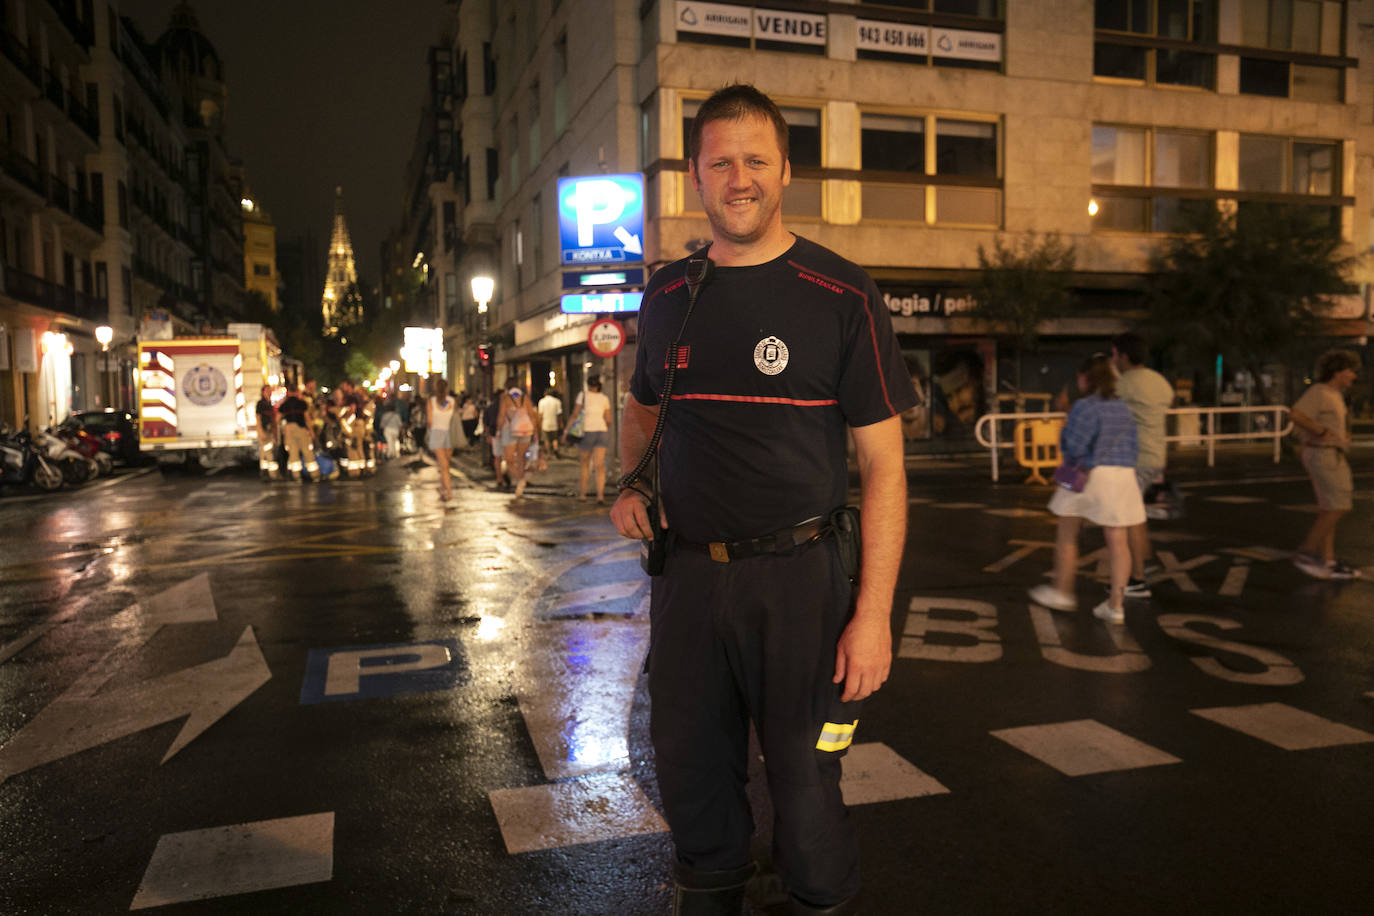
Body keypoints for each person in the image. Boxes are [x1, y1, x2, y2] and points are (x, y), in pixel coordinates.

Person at [609, 84, 915, 914]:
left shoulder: (841, 294)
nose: (738, 178)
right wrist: (631, 481)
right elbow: (640, 410)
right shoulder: (669, 294)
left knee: (808, 786)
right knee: (690, 772)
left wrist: (874, 614)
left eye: (754, 160)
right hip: (689, 583)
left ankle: (818, 897)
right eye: (720, 163)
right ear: (696, 181)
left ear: (785, 170)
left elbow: (885, 470)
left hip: (803, 584)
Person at [1028, 353, 1145, 624]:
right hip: (1124, 476)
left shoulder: (1085, 407)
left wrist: (1065, 424)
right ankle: (1116, 606)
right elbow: (1135, 447)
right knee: (1118, 541)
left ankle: (1063, 592)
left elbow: (1075, 447)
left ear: (1086, 378)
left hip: (1091, 475)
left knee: (1067, 532)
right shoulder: (1125, 407)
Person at [1111, 331, 1175, 597]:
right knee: (1141, 517)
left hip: (1134, 460)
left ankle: (1136, 580)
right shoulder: (1160, 381)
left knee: (1131, 520)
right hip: (1157, 457)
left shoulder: (1125, 383)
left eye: (1114, 354)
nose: (1113, 360)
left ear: (1124, 356)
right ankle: (1144, 565)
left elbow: (1106, 407)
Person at [1289, 349, 1361, 579]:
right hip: (1322, 455)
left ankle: (1327, 562)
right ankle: (1307, 552)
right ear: (1338, 372)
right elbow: (1296, 414)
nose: (1353, 376)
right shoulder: (1319, 392)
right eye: (1350, 371)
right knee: (1339, 506)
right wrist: (1320, 431)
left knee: (1329, 508)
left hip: (1333, 454)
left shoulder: (1335, 394)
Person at [563, 376, 612, 504]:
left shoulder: (583, 395)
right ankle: (600, 496)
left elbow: (575, 414)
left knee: (585, 464)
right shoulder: (604, 398)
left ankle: (583, 495)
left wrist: (566, 431)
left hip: (587, 432)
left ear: (588, 385)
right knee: (599, 465)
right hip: (602, 432)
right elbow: (609, 420)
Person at [496, 387, 539, 498]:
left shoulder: (506, 399)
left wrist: (498, 431)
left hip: (509, 431)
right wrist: (535, 433)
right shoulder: (526, 399)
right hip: (526, 431)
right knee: (521, 459)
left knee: (509, 460)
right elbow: (532, 417)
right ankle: (520, 485)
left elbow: (501, 416)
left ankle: (520, 480)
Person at [277, 385, 319, 482]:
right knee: (307, 452)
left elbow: (277, 419)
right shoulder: (302, 403)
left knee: (293, 453)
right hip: (301, 429)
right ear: (296, 392)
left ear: (288, 392)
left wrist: (284, 428)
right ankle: (315, 475)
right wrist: (311, 431)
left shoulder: (284, 404)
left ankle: (297, 477)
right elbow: (307, 418)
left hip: (289, 430)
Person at [427, 379, 456, 501]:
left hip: (436, 433)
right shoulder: (452, 401)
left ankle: (444, 488)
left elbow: (429, 421)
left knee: (444, 465)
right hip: (449, 433)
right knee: (445, 465)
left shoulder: (431, 402)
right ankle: (448, 491)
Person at [254, 385, 279, 480]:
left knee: (264, 453)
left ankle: (264, 472)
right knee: (269, 453)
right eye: (267, 391)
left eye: (270, 391)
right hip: (264, 431)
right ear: (262, 392)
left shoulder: (269, 404)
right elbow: (258, 419)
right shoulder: (260, 404)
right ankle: (273, 475)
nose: (269, 392)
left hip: (269, 431)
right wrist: (261, 432)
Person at [537, 388, 563, 459]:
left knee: (546, 439)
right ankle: (555, 450)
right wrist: (560, 423)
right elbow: (559, 414)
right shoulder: (557, 402)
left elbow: (540, 414)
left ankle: (548, 453)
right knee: (554, 438)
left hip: (545, 423)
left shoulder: (542, 401)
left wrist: (538, 423)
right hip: (554, 422)